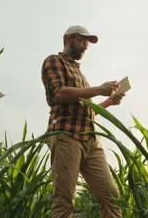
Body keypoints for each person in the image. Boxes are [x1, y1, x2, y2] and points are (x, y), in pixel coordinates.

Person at [41, 25, 125, 218]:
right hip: (66, 137)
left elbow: (86, 113)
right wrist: (97, 90)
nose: (86, 46)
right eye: (82, 40)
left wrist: (109, 101)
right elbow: (59, 93)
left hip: (91, 141)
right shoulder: (54, 61)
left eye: (88, 42)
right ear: (69, 39)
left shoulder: (81, 76)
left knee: (111, 196)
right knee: (64, 200)